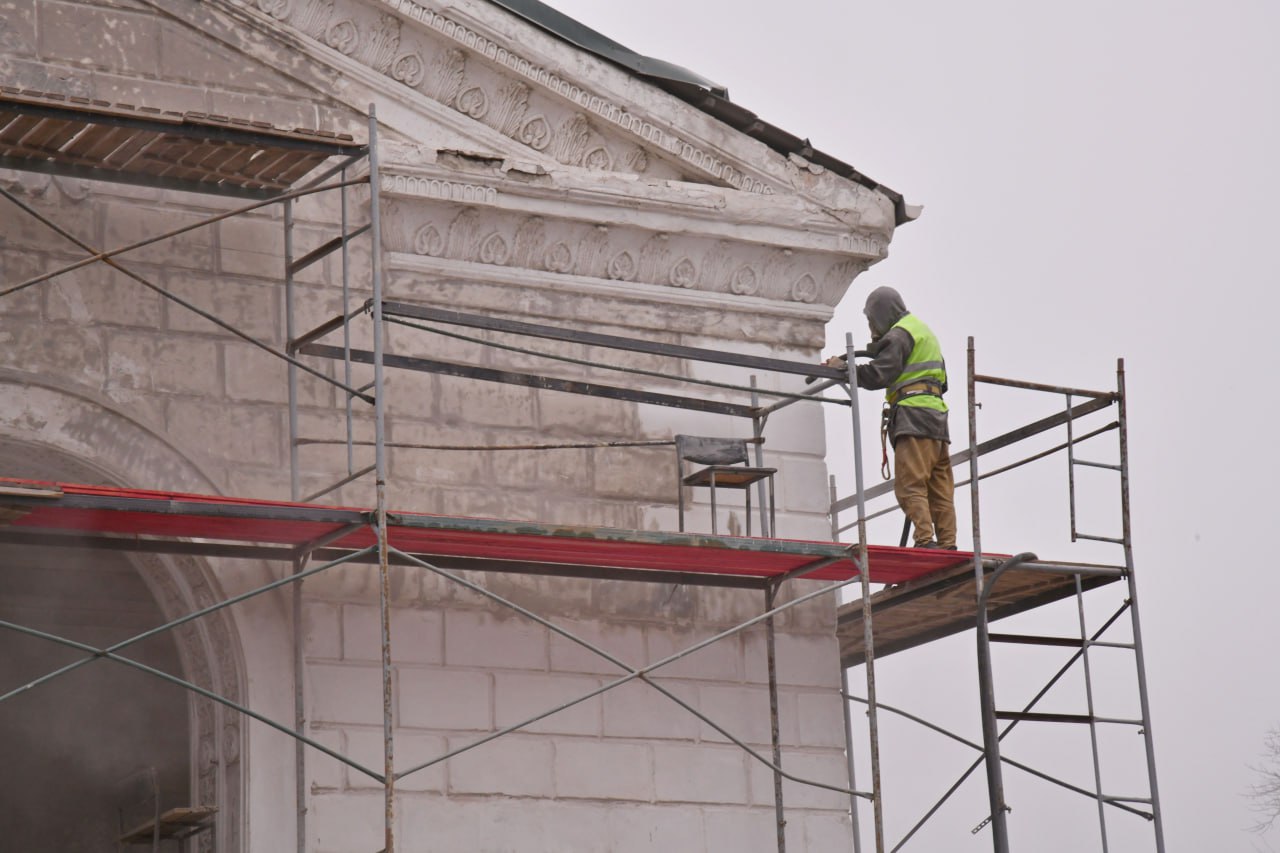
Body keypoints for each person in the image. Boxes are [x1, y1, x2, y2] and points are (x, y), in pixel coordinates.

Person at [828, 286, 956, 549]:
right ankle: (948, 544)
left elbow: (879, 374)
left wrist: (844, 369)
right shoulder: (923, 332)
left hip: (914, 418)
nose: (871, 326)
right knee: (939, 487)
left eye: (871, 320)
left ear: (882, 314)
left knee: (910, 486)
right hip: (938, 419)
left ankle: (924, 541)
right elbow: (943, 382)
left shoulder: (899, 336)